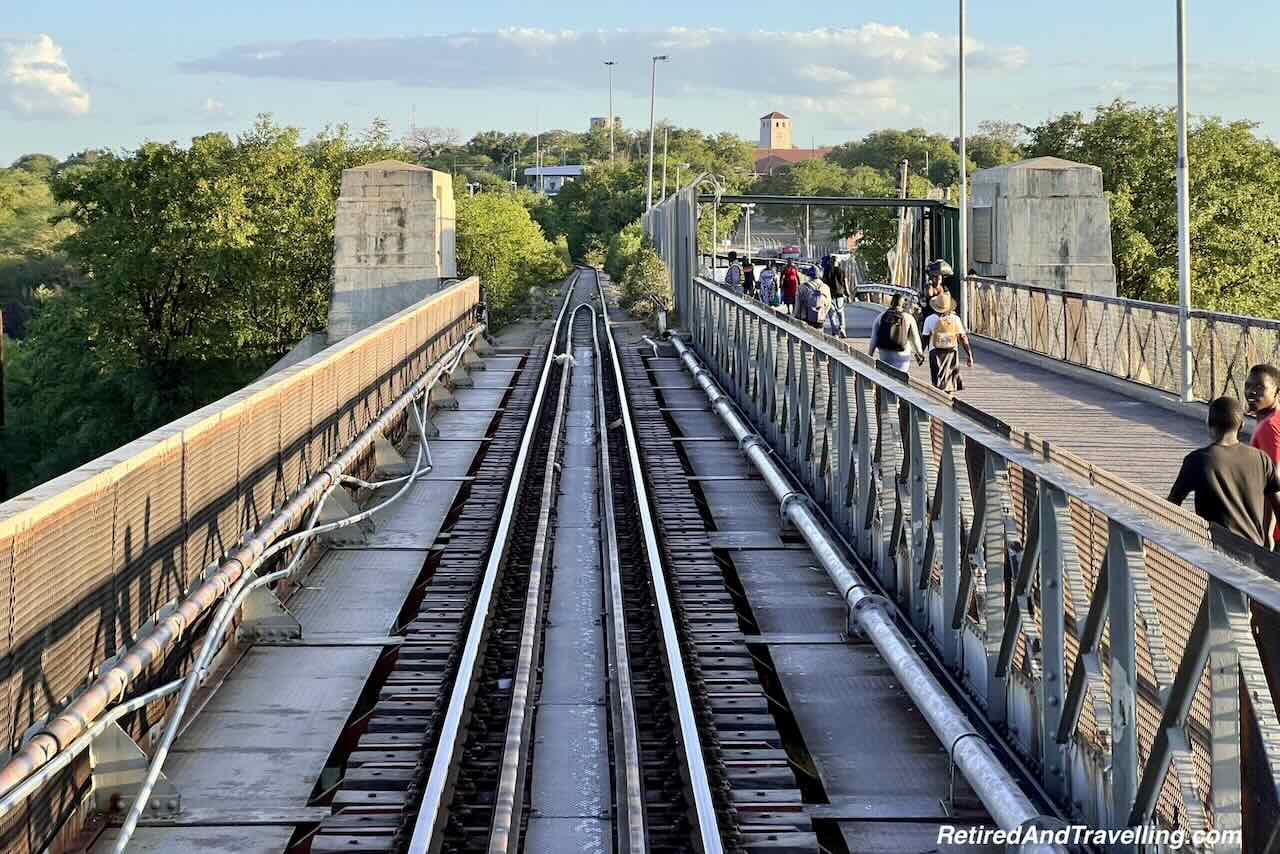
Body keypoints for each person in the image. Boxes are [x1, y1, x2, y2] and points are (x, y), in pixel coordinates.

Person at [1169, 396, 1280, 548]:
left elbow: (1172, 504)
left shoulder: (1197, 460)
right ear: (1242, 425)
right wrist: (1268, 536)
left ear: (1208, 423)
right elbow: (1276, 503)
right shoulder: (1261, 458)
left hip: (1217, 552)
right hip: (1255, 550)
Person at [1246, 363, 1280, 546]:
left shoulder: (1269, 427)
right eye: (1248, 386)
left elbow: (1274, 481)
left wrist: (1267, 532)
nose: (1251, 392)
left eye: (1260, 387)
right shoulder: (1271, 420)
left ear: (1276, 392)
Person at [921, 291, 973, 393]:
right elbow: (963, 337)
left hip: (935, 352)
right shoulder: (955, 319)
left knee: (937, 380)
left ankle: (939, 400)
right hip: (951, 351)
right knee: (951, 379)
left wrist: (920, 353)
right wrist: (969, 354)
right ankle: (950, 398)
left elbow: (925, 338)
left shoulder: (929, 319)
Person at [869, 295, 925, 372]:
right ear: (903, 304)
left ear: (891, 302)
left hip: (885, 354)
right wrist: (919, 353)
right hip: (901, 354)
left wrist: (870, 355)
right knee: (900, 379)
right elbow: (915, 338)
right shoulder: (908, 318)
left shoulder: (881, 316)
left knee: (886, 378)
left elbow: (874, 338)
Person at [826, 258, 848, 337]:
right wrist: (847, 293)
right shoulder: (841, 270)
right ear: (837, 262)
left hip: (830, 294)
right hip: (840, 294)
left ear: (830, 262)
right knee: (840, 312)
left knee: (832, 314)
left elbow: (824, 282)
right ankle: (842, 329)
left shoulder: (827, 271)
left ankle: (835, 332)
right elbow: (844, 283)